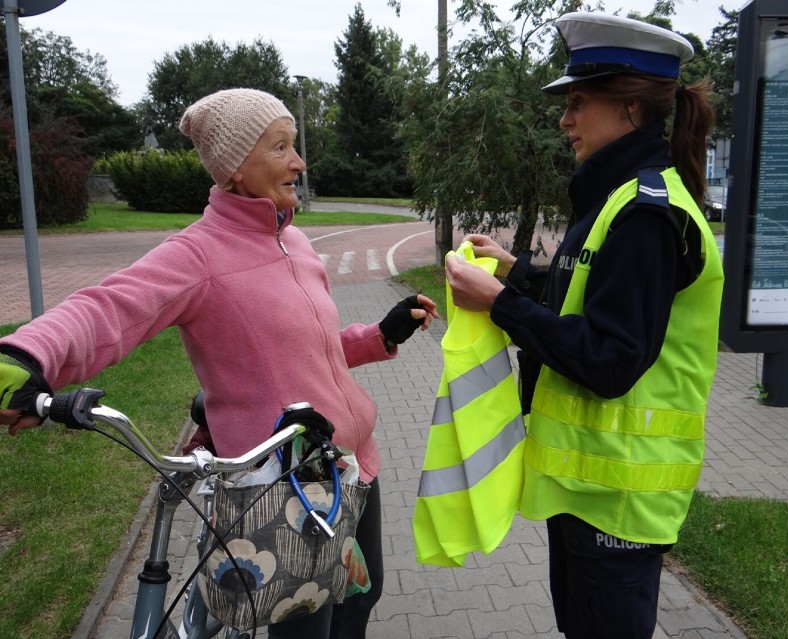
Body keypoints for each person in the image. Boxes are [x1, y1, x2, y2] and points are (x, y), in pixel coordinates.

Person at [0, 88, 438, 639]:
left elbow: (314, 347)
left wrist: (379, 334)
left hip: (353, 467)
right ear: (233, 170)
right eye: (280, 147)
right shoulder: (198, 255)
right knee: (306, 626)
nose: (298, 162)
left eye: (294, 145)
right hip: (285, 491)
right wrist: (27, 354)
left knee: (359, 601)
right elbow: (107, 308)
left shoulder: (296, 241)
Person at [445, 13, 724, 639]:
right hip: (591, 489)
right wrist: (515, 276)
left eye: (576, 103)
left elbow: (610, 359)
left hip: (619, 500)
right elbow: (590, 304)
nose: (564, 120)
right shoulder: (619, 198)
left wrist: (499, 305)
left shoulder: (646, 214)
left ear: (629, 109)